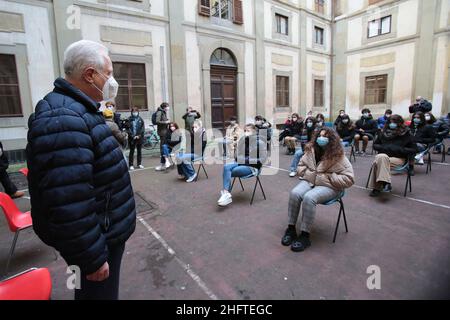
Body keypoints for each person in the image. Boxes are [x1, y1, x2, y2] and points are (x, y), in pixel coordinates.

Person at [26, 40, 136, 300]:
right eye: (108, 74)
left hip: (100, 235)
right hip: (95, 245)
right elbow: (68, 201)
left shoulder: (77, 110)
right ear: (90, 75)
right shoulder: (62, 118)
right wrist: (92, 258)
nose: (112, 81)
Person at [281, 127, 355, 252]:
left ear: (331, 139)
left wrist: (330, 177)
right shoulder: (311, 150)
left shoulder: (338, 155)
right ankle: (291, 229)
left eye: (325, 136)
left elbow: (349, 179)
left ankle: (305, 236)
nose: (321, 138)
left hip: (329, 186)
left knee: (309, 198)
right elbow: (300, 166)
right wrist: (307, 173)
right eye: (320, 135)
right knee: (294, 193)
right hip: (310, 181)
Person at [217, 124, 268, 207]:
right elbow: (237, 155)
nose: (245, 133)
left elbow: (262, 160)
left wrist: (246, 160)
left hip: (253, 167)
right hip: (241, 162)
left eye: (248, 131)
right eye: (245, 131)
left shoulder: (260, 143)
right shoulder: (242, 140)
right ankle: (226, 194)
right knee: (226, 167)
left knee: (232, 171)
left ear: (254, 132)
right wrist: (241, 159)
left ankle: (226, 194)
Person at [368, 115, 418, 197]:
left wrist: (398, 149)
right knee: (381, 158)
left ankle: (377, 187)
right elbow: (375, 145)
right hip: (383, 156)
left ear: (399, 123)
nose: (392, 124)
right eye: (390, 122)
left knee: (378, 161)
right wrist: (385, 148)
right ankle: (386, 183)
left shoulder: (406, 134)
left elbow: (414, 149)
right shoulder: (383, 132)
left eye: (394, 122)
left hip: (399, 158)